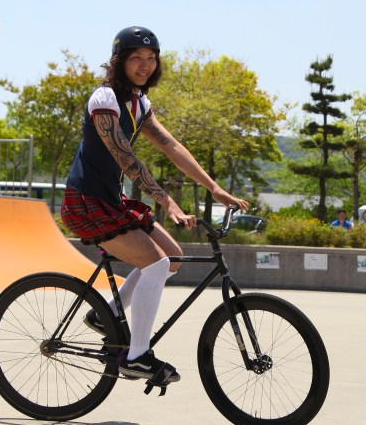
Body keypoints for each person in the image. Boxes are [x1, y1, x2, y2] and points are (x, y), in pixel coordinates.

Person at [60, 26, 248, 385]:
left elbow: (171, 146)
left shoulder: (139, 104)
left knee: (172, 258)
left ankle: (105, 315)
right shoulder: (104, 100)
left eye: (151, 58)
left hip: (110, 200)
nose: (145, 65)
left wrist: (213, 188)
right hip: (85, 202)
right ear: (119, 62)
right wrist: (166, 201)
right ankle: (137, 357)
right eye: (136, 58)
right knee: (156, 263)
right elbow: (125, 157)